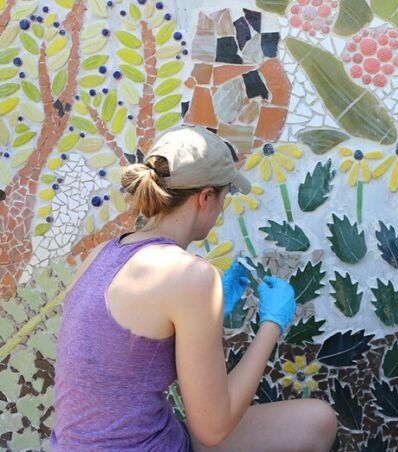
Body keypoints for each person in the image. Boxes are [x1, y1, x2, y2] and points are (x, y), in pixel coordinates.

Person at [50, 125, 337, 451]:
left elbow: (122, 365)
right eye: (224, 198)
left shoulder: (101, 253)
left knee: (316, 421)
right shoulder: (190, 276)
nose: (220, 210)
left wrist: (207, 315)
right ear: (205, 198)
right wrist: (272, 324)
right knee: (320, 421)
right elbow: (212, 428)